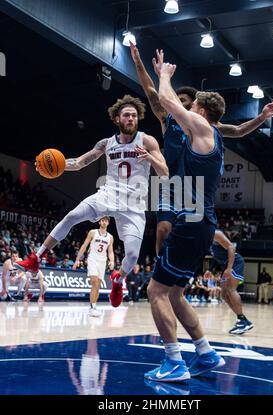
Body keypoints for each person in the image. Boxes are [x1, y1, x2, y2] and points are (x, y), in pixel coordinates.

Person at [16, 95, 169, 309]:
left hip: (134, 204)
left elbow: (165, 173)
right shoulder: (106, 143)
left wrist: (150, 158)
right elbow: (79, 163)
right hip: (108, 194)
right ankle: (36, 257)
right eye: (127, 115)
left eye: (134, 115)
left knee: (133, 256)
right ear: (117, 118)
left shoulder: (147, 141)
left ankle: (117, 279)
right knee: (72, 216)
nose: (131, 119)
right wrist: (57, 167)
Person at [130, 42, 273, 254]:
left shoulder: (206, 127)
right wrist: (138, 61)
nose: (181, 104)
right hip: (170, 182)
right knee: (163, 229)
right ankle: (160, 268)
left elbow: (238, 131)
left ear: (195, 106)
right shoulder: (168, 117)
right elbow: (149, 90)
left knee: (190, 240)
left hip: (195, 188)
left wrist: (262, 117)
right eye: (179, 100)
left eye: (185, 101)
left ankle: (181, 279)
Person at [144, 53, 226, 383]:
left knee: (156, 291)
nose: (187, 110)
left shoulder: (203, 126)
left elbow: (164, 100)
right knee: (175, 293)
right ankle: (206, 353)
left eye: (192, 107)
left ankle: (174, 362)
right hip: (201, 224)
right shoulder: (210, 139)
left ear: (202, 112)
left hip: (192, 224)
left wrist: (163, 74)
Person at [206, 230, 253, 334]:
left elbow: (231, 247)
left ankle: (241, 320)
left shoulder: (216, 233)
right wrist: (210, 270)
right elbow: (216, 256)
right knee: (224, 294)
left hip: (234, 263)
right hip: (225, 265)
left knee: (231, 290)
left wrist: (229, 268)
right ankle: (243, 320)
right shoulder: (206, 237)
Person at [73, 216, 114, 316]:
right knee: (94, 282)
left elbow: (110, 251)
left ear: (108, 223)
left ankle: (94, 306)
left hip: (102, 261)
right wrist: (77, 260)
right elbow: (84, 246)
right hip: (92, 259)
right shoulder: (93, 232)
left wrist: (112, 261)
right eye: (102, 221)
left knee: (98, 285)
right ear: (99, 222)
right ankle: (92, 307)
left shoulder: (110, 237)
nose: (104, 223)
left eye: (106, 221)